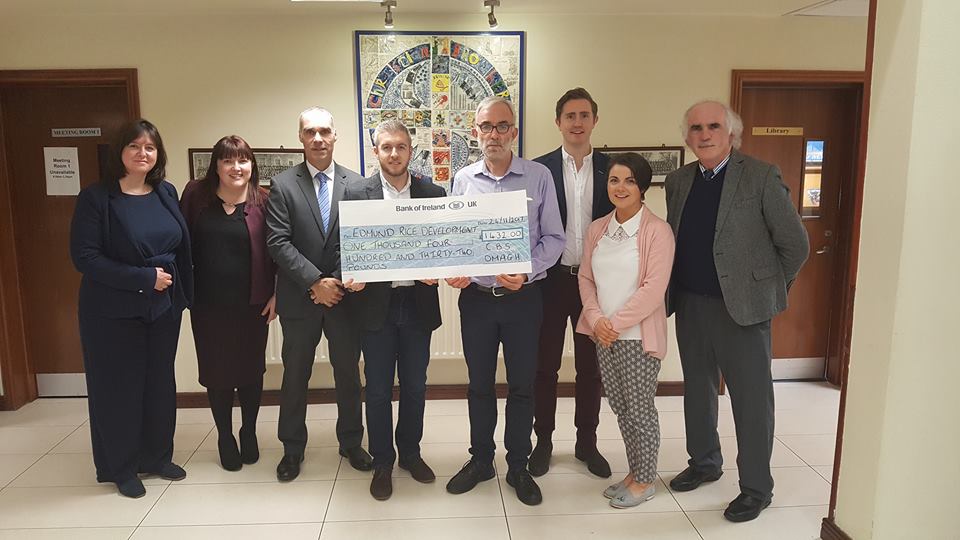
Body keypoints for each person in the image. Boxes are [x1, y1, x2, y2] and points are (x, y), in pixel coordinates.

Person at [665, 100, 809, 522]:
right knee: (698, 390)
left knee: (751, 402)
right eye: (695, 128)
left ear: (731, 133)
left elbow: (795, 246)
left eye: (713, 126)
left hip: (743, 312)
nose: (704, 134)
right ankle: (704, 462)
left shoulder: (761, 176)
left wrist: (766, 290)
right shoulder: (678, 181)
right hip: (690, 304)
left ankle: (756, 488)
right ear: (687, 137)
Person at [445, 96, 565, 506]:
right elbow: (455, 239)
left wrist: (527, 271)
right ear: (475, 132)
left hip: (523, 300)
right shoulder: (463, 179)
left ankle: (518, 465)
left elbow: (555, 239)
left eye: (501, 126)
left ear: (513, 131)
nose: (493, 134)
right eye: (486, 126)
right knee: (479, 385)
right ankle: (481, 460)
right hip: (476, 300)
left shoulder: (539, 176)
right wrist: (454, 268)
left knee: (522, 386)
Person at [70, 119, 193, 498]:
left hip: (163, 306)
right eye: (134, 146)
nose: (143, 153)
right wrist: (143, 278)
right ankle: (120, 467)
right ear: (119, 152)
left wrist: (178, 292)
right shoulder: (96, 198)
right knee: (118, 388)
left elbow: (180, 246)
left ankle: (157, 457)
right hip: (112, 309)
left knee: (159, 383)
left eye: (150, 148)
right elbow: (85, 257)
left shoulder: (166, 192)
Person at [266, 107, 371, 482]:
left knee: (348, 374)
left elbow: (360, 239)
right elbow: (278, 242)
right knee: (295, 375)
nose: (318, 138)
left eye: (324, 131)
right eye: (310, 132)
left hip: (344, 299)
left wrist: (335, 282)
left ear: (335, 135)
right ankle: (292, 448)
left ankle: (351, 442)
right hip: (300, 298)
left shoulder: (357, 184)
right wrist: (314, 282)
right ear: (300, 137)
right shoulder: (282, 185)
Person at [344, 119, 445, 500]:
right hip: (375, 306)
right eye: (386, 147)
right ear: (376, 151)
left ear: (410, 150)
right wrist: (349, 274)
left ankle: (410, 454)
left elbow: (444, 244)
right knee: (377, 389)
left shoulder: (432, 193)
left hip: (417, 304)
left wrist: (439, 268)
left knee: (416, 386)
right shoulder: (357, 193)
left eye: (401, 146)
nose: (394, 153)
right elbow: (342, 245)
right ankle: (383, 460)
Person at [576, 152, 675, 508]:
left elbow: (653, 289)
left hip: (636, 339)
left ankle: (646, 481)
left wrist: (613, 325)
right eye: (614, 180)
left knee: (640, 411)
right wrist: (596, 320)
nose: (620, 187)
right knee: (621, 408)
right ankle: (635, 472)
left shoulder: (657, 231)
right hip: (604, 336)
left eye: (630, 181)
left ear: (642, 187)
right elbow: (586, 278)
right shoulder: (598, 229)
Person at [530, 87, 615, 478]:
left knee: (590, 370)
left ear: (595, 120)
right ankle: (543, 442)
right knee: (544, 368)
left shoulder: (613, 169)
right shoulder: (539, 170)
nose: (577, 123)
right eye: (570, 116)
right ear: (558, 122)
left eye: (584, 115)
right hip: (550, 282)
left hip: (594, 285)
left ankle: (587, 443)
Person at [180, 135, 277, 471]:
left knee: (250, 371)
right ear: (216, 166)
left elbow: (278, 249)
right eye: (228, 160)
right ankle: (224, 436)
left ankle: (248, 431)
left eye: (243, 160)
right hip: (208, 307)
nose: (236, 167)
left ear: (252, 165)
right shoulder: (195, 195)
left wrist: (277, 292)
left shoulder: (264, 200)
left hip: (252, 305)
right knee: (217, 373)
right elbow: (179, 242)